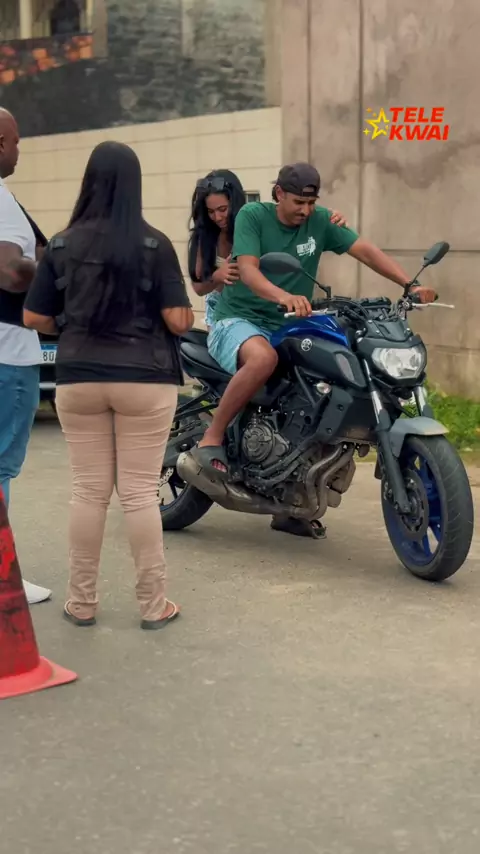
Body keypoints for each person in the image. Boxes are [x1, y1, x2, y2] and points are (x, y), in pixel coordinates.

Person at [191, 162, 437, 537]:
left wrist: (409, 284)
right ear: (279, 194)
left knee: (323, 390)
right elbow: (250, 271)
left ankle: (292, 503)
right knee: (263, 358)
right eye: (298, 202)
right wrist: (283, 296)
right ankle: (211, 438)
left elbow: (364, 249)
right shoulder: (253, 216)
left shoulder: (320, 220)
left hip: (289, 323)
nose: (305, 210)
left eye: (311, 202)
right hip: (239, 319)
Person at [24, 141, 194, 629]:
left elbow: (35, 317)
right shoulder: (154, 245)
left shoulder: (62, 245)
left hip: (79, 377)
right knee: (138, 493)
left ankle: (82, 603)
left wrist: (72, 322)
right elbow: (178, 320)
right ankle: (153, 605)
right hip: (145, 378)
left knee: (88, 492)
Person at [0, 107, 52, 604]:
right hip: (8, 352)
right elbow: (10, 271)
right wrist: (56, 272)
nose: (19, 151)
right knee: (0, 469)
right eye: (16, 142)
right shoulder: (0, 199)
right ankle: (2, 577)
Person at [188, 168, 348, 330]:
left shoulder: (253, 221)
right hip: (226, 310)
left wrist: (330, 218)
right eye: (211, 212)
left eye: (223, 209)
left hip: (263, 308)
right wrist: (217, 276)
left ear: (235, 203)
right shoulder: (205, 238)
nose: (217, 217)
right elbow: (198, 288)